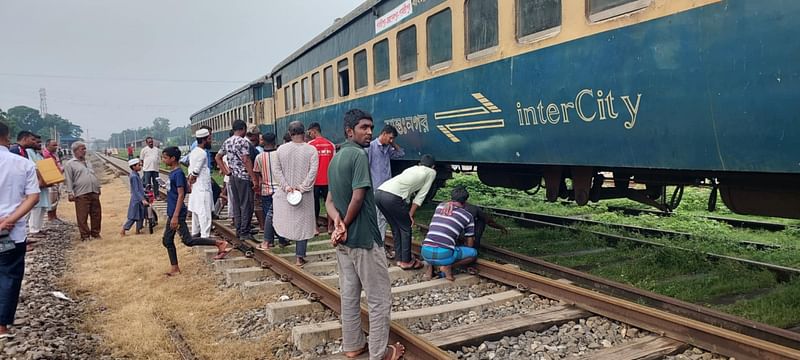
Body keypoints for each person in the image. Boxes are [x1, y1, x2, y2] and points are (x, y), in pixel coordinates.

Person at [325, 109, 404, 360]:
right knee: (380, 299)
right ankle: (380, 354)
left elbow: (329, 201)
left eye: (371, 127)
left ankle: (352, 345)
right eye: (364, 127)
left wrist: (338, 222)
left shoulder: (336, 158)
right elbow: (359, 196)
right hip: (365, 240)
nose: (369, 132)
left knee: (349, 295)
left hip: (345, 243)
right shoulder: (359, 155)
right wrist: (345, 222)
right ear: (350, 131)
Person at [161, 147, 230, 276]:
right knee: (167, 240)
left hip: (177, 213)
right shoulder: (174, 173)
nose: (163, 160)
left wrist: (175, 216)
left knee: (187, 240)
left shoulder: (178, 173)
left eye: (165, 157)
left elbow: (182, 195)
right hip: (172, 211)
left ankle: (219, 243)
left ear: (173, 158)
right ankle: (175, 268)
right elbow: (187, 189)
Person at [0, 121, 40, 338]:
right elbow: (33, 196)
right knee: (8, 274)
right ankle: (2, 325)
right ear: (7, 137)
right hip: (9, 233)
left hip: (8, 229)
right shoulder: (22, 163)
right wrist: (8, 221)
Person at [375, 154, 436, 270]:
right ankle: (406, 261)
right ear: (432, 166)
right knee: (406, 227)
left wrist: (408, 213)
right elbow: (421, 196)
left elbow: (406, 194)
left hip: (379, 193)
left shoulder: (412, 169)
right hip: (392, 197)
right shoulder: (431, 172)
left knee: (396, 227)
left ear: (419, 163)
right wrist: (410, 214)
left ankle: (399, 259)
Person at [272, 121, 318, 267]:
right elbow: (313, 171)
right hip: (304, 194)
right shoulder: (311, 150)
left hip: (288, 193)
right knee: (303, 225)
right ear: (304, 132)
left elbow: (276, 170)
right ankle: (300, 257)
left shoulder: (281, 150)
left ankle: (282, 240)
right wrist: (302, 187)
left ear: (290, 133)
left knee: (287, 220)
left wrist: (287, 187)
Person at [421, 187, 478, 281]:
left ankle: (429, 272)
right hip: (444, 254)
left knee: (434, 240)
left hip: (425, 252)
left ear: (451, 198)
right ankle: (448, 267)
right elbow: (470, 241)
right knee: (473, 253)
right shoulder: (468, 216)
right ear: (465, 201)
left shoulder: (440, 207)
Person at [216, 120, 257, 241]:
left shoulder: (227, 141)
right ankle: (245, 231)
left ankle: (239, 229)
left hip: (232, 177)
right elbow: (246, 160)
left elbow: (217, 157)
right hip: (243, 177)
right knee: (246, 204)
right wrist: (254, 177)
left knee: (237, 204)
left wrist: (226, 171)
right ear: (243, 129)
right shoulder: (243, 142)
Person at [367, 125, 404, 245]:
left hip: (387, 187)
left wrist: (392, 144)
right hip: (376, 188)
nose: (391, 140)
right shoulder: (371, 147)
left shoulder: (388, 148)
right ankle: (379, 242)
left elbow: (401, 154)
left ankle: (379, 241)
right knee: (379, 216)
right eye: (390, 138)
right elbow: (367, 166)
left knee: (383, 216)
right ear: (383, 134)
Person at [64, 141, 102, 240]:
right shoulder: (70, 164)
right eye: (82, 149)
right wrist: (70, 192)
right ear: (75, 151)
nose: (84, 151)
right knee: (82, 215)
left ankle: (95, 233)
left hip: (93, 191)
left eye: (85, 149)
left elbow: (93, 175)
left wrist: (98, 187)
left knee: (96, 213)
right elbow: (69, 179)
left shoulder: (88, 162)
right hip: (81, 192)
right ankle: (85, 235)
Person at [253, 133, 284, 250]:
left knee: (268, 216)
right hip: (280, 190)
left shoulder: (259, 157)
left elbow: (256, 172)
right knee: (280, 215)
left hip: (266, 190)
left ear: (263, 142)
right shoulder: (279, 155)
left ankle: (269, 240)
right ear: (275, 141)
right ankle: (282, 238)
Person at [307, 122, 335, 235]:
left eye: (310, 133)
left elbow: (308, 164)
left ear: (314, 131)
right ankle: (330, 227)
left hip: (314, 181)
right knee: (329, 203)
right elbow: (333, 163)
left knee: (314, 205)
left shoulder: (310, 145)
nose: (309, 135)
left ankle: (315, 228)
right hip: (328, 180)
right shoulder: (331, 145)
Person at [187, 129, 214, 238]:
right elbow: (196, 171)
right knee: (204, 213)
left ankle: (195, 232)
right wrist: (192, 178)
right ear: (204, 140)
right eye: (209, 139)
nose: (211, 141)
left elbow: (190, 169)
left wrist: (191, 178)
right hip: (202, 186)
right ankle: (205, 236)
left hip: (197, 187)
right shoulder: (202, 153)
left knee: (196, 212)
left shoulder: (194, 152)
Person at [25, 135, 51, 240]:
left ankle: (39, 228)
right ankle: (33, 230)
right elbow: (34, 167)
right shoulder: (28, 152)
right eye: (37, 142)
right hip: (36, 184)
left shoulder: (39, 154)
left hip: (43, 185)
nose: (39, 144)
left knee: (42, 207)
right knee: (36, 207)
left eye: (40, 143)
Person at [120, 159, 147, 236]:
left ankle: (138, 230)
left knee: (140, 215)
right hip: (137, 199)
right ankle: (124, 229)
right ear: (133, 166)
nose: (140, 166)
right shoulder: (134, 176)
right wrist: (142, 199)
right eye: (138, 165)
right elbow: (136, 190)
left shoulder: (136, 175)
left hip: (139, 198)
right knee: (133, 216)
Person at [247, 125, 265, 233]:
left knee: (254, 202)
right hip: (255, 178)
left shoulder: (248, 146)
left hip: (250, 178)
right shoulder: (254, 149)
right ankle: (263, 226)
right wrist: (257, 180)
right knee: (258, 202)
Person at [42, 139, 64, 224]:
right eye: (54, 145)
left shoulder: (54, 154)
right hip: (51, 180)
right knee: (52, 199)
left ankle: (54, 216)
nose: (56, 147)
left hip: (57, 178)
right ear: (47, 146)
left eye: (56, 145)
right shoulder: (45, 155)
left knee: (56, 198)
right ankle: (51, 217)